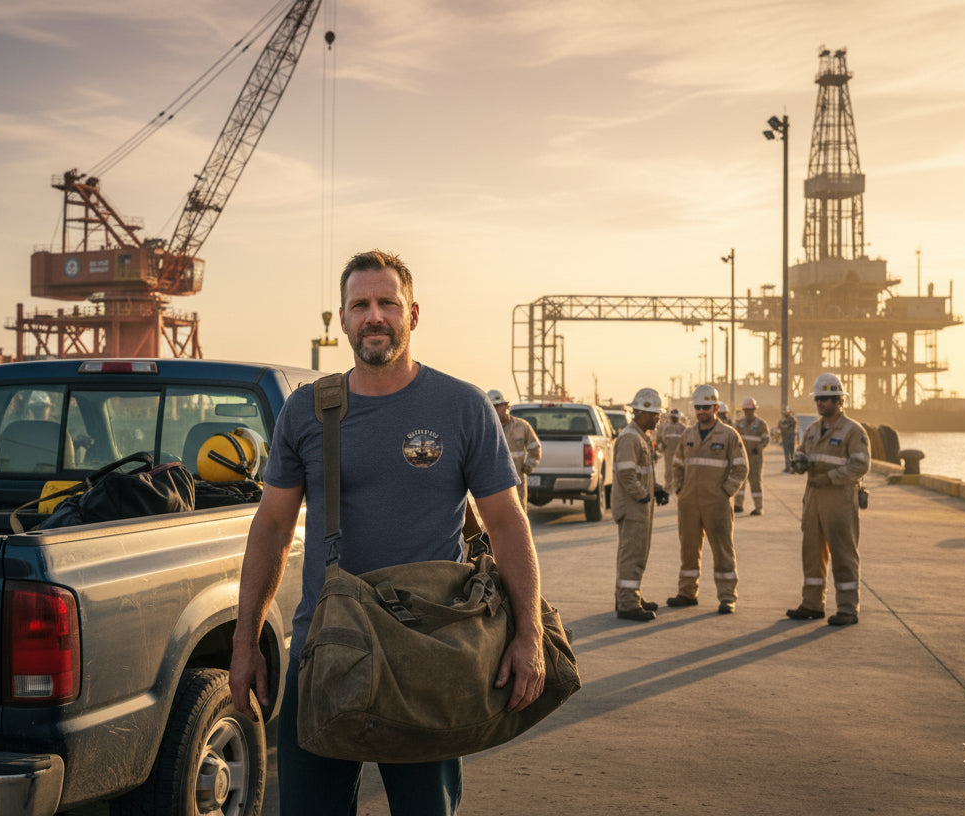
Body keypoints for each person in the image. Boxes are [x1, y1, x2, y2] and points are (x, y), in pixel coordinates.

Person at [229, 250, 545, 815]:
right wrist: (245, 640)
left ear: (413, 314)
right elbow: (272, 526)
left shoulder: (462, 407)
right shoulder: (308, 410)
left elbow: (505, 522)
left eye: (387, 303)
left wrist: (529, 634)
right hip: (324, 652)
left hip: (430, 655)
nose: (374, 316)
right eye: (360, 305)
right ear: (344, 318)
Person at [786, 372, 871, 627]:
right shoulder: (812, 430)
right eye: (818, 399)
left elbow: (861, 465)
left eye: (825, 399)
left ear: (839, 400)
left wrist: (830, 478)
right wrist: (800, 463)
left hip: (840, 501)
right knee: (812, 553)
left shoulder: (853, 431)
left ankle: (847, 609)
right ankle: (812, 604)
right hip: (813, 500)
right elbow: (803, 454)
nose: (820, 403)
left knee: (843, 553)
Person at [667, 384, 748, 615]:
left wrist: (725, 493)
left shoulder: (729, 435)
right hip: (689, 503)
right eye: (697, 407)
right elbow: (677, 465)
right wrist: (680, 490)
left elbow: (741, 469)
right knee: (688, 549)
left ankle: (727, 596)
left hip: (717, 504)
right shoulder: (688, 435)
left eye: (705, 407)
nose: (701, 411)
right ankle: (687, 593)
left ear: (715, 407)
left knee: (723, 550)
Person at [612, 387, 669, 621]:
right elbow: (627, 475)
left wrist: (656, 489)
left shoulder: (641, 436)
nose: (658, 418)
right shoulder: (630, 438)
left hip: (640, 505)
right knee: (632, 555)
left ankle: (630, 595)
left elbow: (641, 472)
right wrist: (643, 494)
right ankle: (627, 604)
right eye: (655, 414)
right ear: (641, 413)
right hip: (633, 506)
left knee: (638, 553)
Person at [488, 389, 542, 511]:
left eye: (498, 406)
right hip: (493, 484)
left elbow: (535, 449)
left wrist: (528, 467)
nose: (495, 410)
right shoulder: (485, 429)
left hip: (517, 483)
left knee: (518, 514)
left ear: (506, 406)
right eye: (492, 407)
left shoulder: (521, 426)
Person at [732, 397, 770, 515]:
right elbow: (734, 438)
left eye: (751, 410)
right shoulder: (739, 424)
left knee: (755, 482)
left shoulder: (761, 424)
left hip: (755, 458)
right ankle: (738, 504)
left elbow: (766, 439)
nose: (749, 413)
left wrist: (758, 447)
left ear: (754, 410)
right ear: (743, 410)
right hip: (742, 457)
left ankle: (758, 507)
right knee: (740, 480)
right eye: (747, 410)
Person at [655, 408, 687, 491]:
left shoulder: (682, 428)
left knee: (679, 469)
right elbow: (661, 438)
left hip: (679, 452)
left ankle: (678, 486)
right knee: (668, 470)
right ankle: (669, 485)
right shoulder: (666, 427)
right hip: (669, 452)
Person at [778, 406, 798, 472]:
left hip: (786, 438)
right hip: (791, 438)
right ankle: (793, 468)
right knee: (792, 453)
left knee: (787, 454)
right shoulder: (793, 419)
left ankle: (788, 467)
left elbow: (780, 427)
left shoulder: (783, 420)